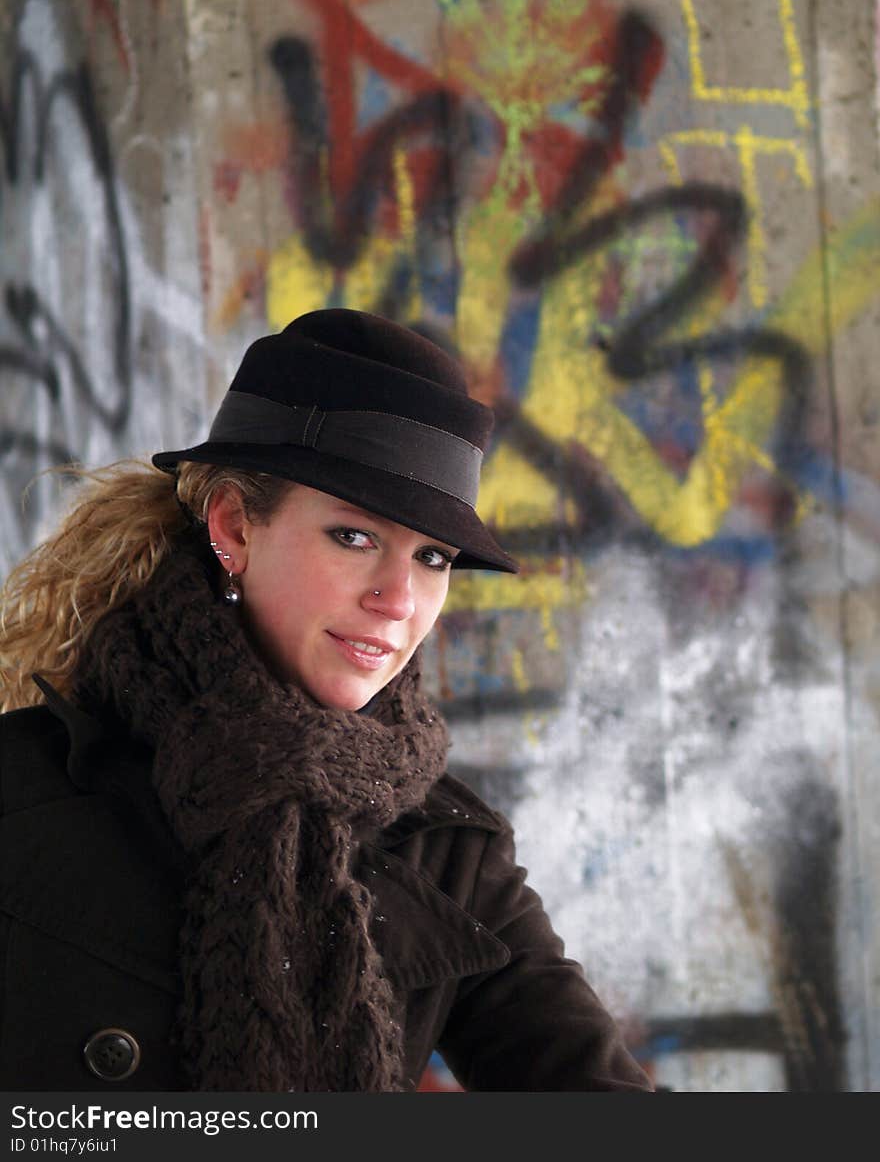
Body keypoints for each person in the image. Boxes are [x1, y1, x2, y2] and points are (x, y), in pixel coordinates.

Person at [0, 308, 653, 1093]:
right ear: (235, 526)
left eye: (433, 556)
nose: (399, 599)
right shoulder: (25, 789)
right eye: (355, 536)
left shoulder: (447, 851)